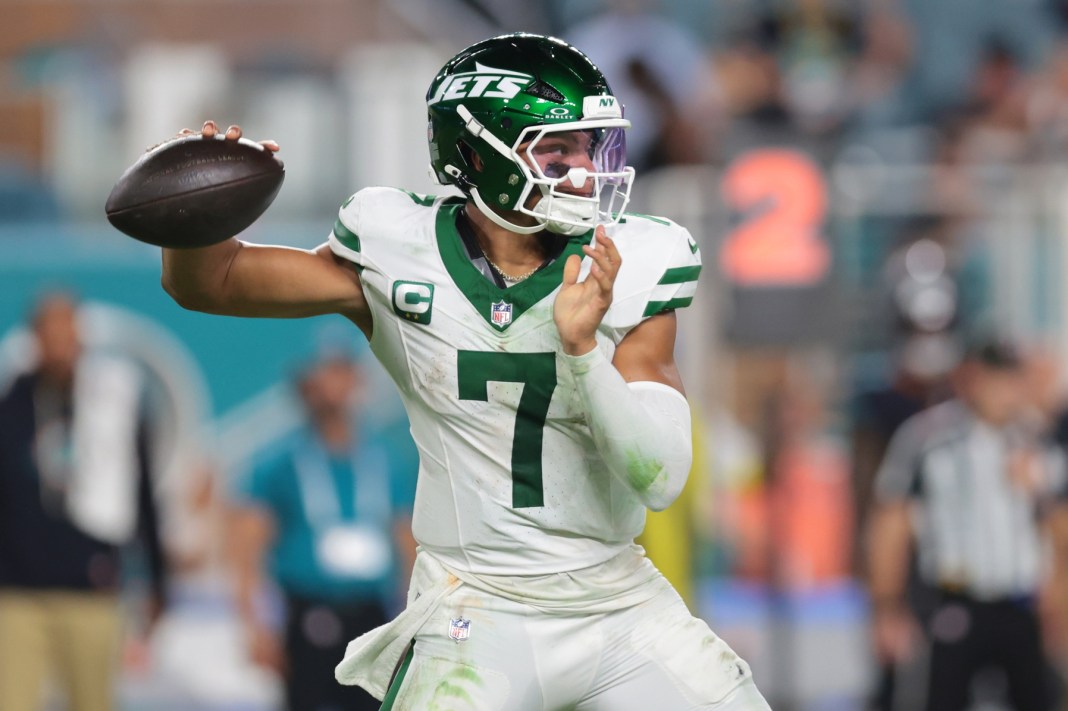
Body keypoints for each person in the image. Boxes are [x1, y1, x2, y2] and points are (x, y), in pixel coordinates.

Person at [158, 33, 769, 709]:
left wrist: (582, 350)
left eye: (589, 147)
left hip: (616, 604)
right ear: (478, 153)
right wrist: (193, 213)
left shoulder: (629, 262)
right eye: (556, 149)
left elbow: (660, 475)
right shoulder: (398, 248)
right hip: (476, 609)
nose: (586, 172)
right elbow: (210, 282)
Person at [867, 335, 1068, 711]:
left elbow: (1060, 533)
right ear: (971, 379)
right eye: (993, 379)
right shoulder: (928, 438)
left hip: (1022, 605)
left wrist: (1039, 492)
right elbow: (891, 525)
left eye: (1010, 380)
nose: (1003, 392)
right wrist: (887, 606)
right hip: (953, 601)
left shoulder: (1039, 442)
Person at [229, 333, 417, 711]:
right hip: (308, 613)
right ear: (304, 383)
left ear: (356, 380)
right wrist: (256, 627)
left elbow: (407, 543)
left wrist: (412, 625)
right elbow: (246, 550)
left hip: (372, 616)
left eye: (340, 371)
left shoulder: (385, 459)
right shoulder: (279, 463)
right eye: (322, 372)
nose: (331, 384)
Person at [0, 292, 167, 711]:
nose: (60, 343)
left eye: (67, 330)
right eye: (50, 332)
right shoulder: (12, 406)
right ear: (34, 339)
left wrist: (158, 579)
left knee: (93, 701)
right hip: (17, 592)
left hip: (92, 587)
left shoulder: (113, 403)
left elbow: (143, 493)